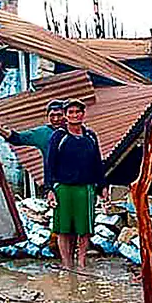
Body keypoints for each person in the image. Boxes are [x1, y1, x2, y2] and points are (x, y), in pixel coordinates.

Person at [0, 99, 67, 257]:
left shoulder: (75, 132)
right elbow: (17, 138)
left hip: (78, 182)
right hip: (56, 184)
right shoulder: (43, 134)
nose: (56, 119)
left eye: (59, 115)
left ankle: (77, 254)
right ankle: (59, 253)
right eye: (52, 115)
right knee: (60, 220)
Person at [44, 99, 106, 270]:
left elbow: (97, 162)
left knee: (84, 229)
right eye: (70, 112)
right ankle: (67, 264)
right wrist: (49, 189)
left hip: (86, 188)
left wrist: (102, 186)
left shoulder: (90, 136)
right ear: (66, 116)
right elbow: (49, 163)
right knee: (63, 228)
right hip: (63, 187)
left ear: (83, 114)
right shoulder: (59, 136)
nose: (74, 115)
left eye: (77, 112)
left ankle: (81, 262)